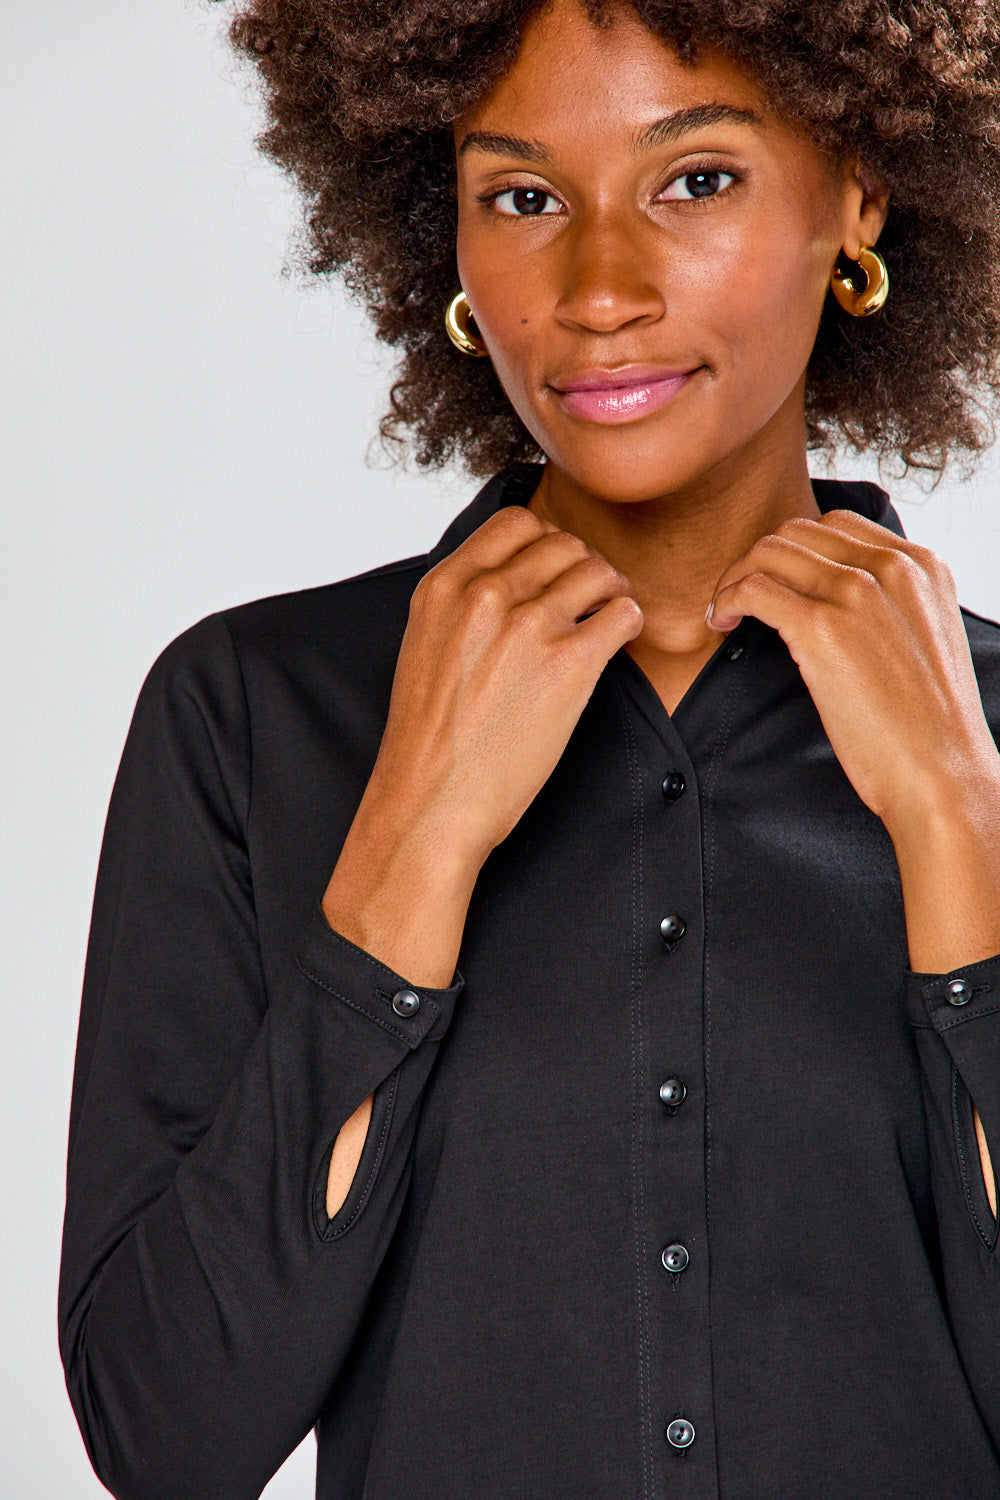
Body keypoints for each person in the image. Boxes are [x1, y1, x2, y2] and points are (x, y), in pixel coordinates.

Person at [59, 0, 1000, 1495]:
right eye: (522, 197)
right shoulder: (248, 712)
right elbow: (168, 1438)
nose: (600, 288)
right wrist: (413, 844)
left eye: (696, 180)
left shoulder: (993, 745)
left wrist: (959, 836)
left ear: (860, 195)